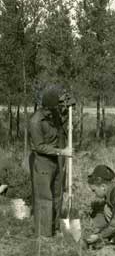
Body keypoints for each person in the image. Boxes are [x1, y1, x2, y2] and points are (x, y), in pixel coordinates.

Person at [29, 88, 73, 238]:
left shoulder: (54, 114)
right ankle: (44, 234)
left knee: (57, 194)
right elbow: (39, 146)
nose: (55, 112)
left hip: (56, 160)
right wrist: (62, 152)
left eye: (57, 108)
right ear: (46, 107)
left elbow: (63, 125)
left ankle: (55, 228)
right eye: (54, 108)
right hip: (42, 161)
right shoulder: (36, 121)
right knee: (44, 196)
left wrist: (69, 108)